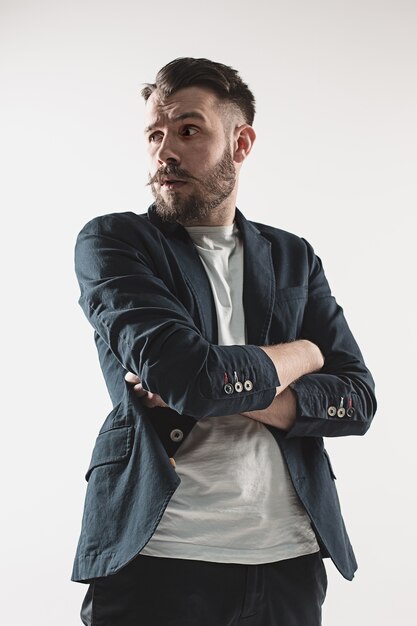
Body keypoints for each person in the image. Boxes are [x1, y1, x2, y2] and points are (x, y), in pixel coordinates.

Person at [72, 57, 376, 626]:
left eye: (189, 131)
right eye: (156, 135)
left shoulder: (293, 257)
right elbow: (190, 377)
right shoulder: (114, 243)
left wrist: (213, 386)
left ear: (241, 142)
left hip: (289, 560)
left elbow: (357, 400)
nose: (166, 151)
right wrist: (304, 356)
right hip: (158, 557)